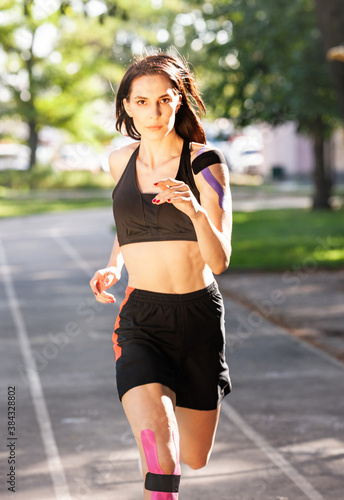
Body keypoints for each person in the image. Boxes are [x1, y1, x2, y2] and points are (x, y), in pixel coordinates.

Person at [90, 51, 233, 499]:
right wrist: (114, 264)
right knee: (161, 453)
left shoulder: (206, 164)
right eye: (142, 101)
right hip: (140, 319)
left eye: (164, 100)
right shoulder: (119, 162)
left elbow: (221, 259)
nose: (153, 112)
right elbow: (127, 225)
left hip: (197, 317)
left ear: (180, 102)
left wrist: (193, 210)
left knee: (193, 455)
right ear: (127, 106)